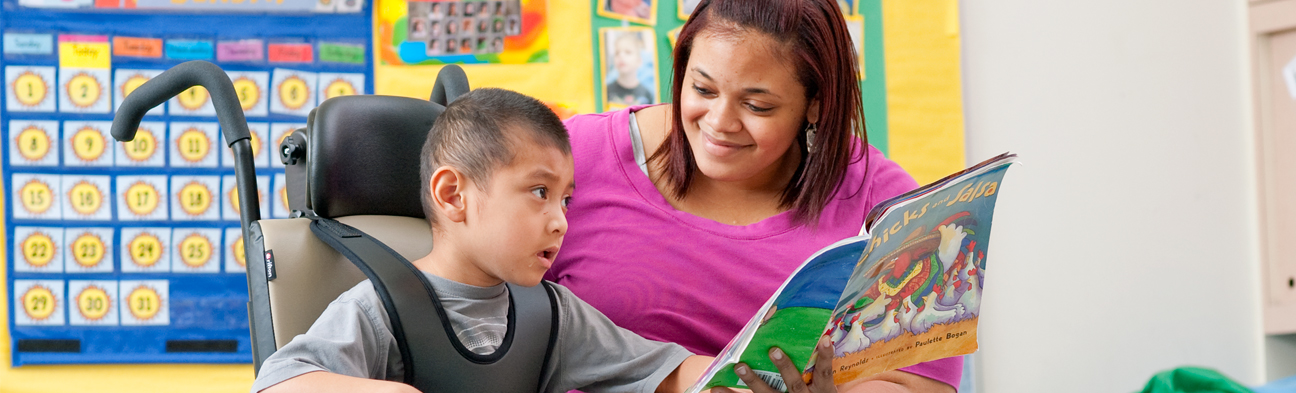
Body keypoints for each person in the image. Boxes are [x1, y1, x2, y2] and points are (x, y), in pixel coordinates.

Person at [546, 0, 963, 392]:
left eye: (757, 106)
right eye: (702, 90)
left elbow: (919, 380)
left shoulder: (889, 205)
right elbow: (496, 315)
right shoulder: (572, 156)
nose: (720, 123)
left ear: (815, 104)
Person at [251, 88, 712, 393]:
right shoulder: (380, 310)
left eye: (566, 200)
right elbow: (276, 381)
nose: (560, 222)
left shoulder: (552, 313)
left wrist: (745, 373)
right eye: (539, 193)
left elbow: (667, 372)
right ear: (453, 195)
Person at [605, 30, 655, 106]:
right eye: (617, 53)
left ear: (639, 61)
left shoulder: (647, 94)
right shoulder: (606, 91)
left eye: (628, 52)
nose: (621, 56)